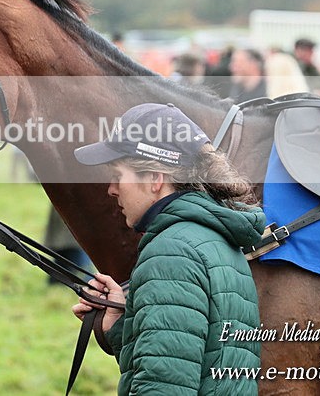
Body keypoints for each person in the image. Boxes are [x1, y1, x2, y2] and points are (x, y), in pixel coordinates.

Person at [70, 103, 265, 395]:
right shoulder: (215, 240)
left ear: (154, 179)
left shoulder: (171, 253)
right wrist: (119, 326)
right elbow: (182, 363)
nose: (111, 189)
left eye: (118, 175)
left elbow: (164, 386)